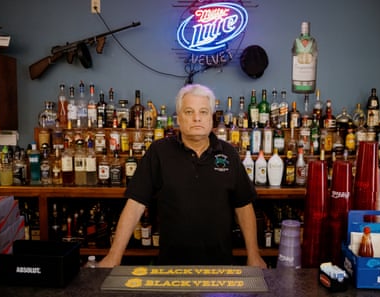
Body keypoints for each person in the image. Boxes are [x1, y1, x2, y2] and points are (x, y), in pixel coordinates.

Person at [98, 84, 266, 268]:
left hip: (220, 267)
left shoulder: (229, 154)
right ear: (178, 118)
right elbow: (135, 204)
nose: (197, 118)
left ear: (211, 117)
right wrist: (114, 256)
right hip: (171, 267)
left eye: (203, 111)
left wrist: (254, 255)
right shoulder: (159, 152)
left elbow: (243, 206)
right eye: (189, 111)